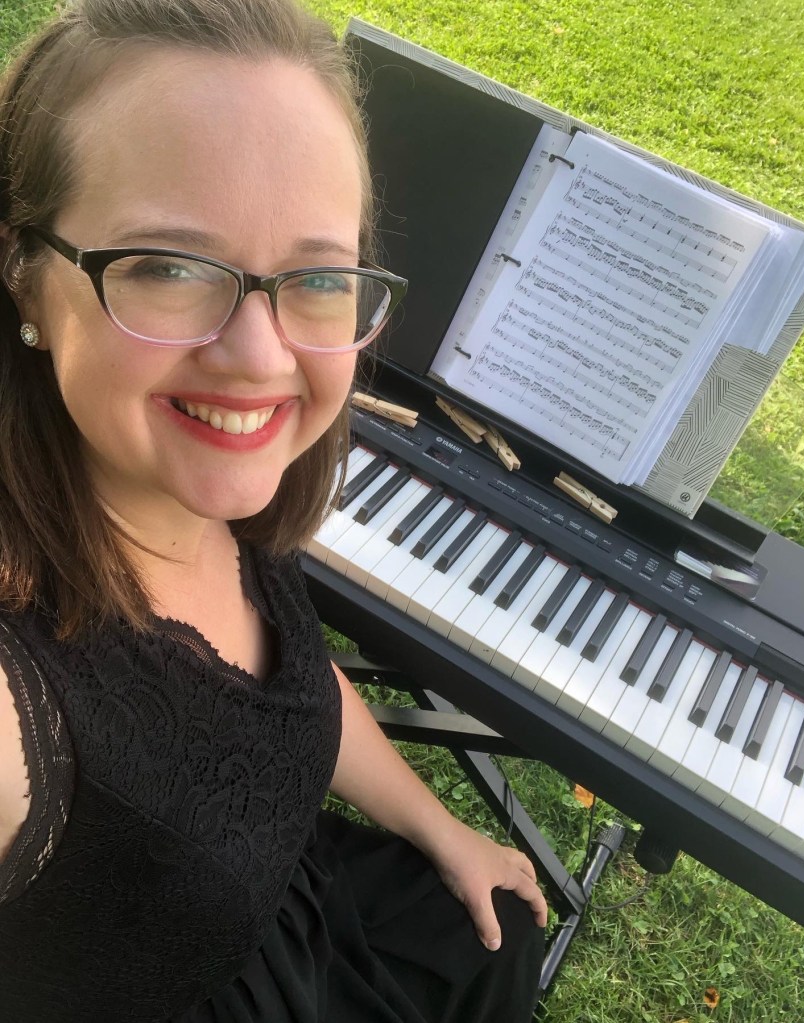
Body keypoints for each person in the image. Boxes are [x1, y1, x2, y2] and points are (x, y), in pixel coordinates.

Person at [0, 1, 547, 1019]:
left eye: (319, 277)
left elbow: (287, 686)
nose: (260, 359)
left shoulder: (192, 490)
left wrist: (438, 825)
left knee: (497, 937)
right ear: (25, 276)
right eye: (166, 265)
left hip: (293, 908)